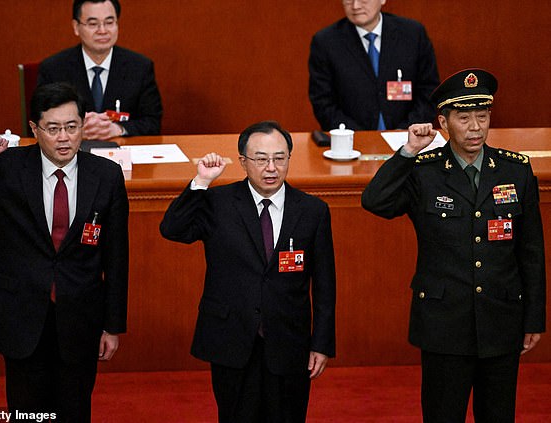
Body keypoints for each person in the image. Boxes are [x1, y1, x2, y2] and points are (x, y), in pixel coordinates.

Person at [0, 82, 129, 422]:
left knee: (75, 410)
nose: (64, 137)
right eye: (52, 129)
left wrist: (112, 325)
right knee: (27, 413)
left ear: (83, 125)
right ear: (35, 129)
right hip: (21, 316)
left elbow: (117, 256)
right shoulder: (7, 169)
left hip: (80, 317)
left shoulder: (105, 175)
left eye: (72, 126)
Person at [361, 69, 546, 422]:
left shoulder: (515, 171)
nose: (475, 127)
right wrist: (408, 151)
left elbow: (531, 252)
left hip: (501, 320)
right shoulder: (423, 170)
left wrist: (533, 317)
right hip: (444, 325)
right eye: (464, 118)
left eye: (483, 116)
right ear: (443, 123)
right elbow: (375, 201)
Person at [160, 121, 336, 422]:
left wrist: (320, 343)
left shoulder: (312, 210)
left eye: (280, 158)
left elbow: (324, 285)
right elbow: (173, 229)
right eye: (261, 159)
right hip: (232, 340)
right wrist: (201, 182)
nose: (271, 167)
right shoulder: (217, 202)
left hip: (289, 342)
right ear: (243, 161)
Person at [37, 0, 162, 140]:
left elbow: (153, 122)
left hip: (123, 153)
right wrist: (75, 130)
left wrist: (118, 129)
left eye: (109, 22)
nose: (102, 31)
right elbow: (40, 123)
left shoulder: (140, 67)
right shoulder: (54, 68)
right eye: (93, 24)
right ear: (76, 27)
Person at [308, 0, 439, 131]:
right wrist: (357, 137)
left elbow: (429, 90)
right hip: (351, 141)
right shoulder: (326, 42)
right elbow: (322, 101)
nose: (355, 6)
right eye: (349, 0)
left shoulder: (413, 34)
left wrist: (408, 130)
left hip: (409, 136)